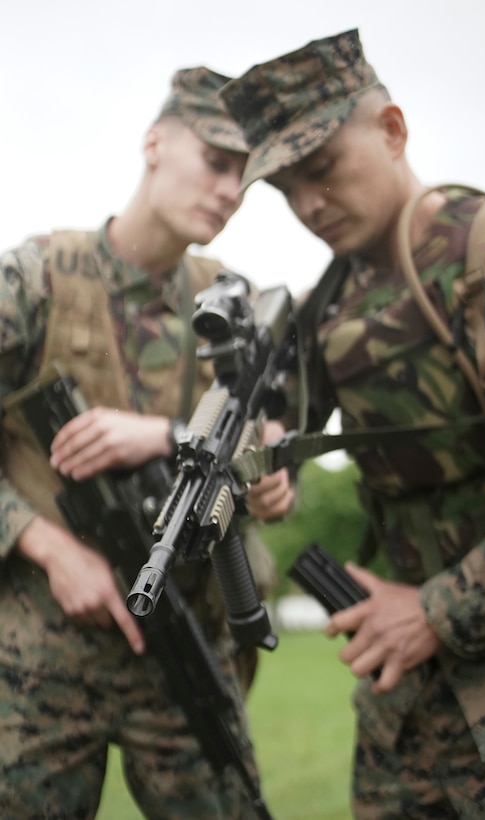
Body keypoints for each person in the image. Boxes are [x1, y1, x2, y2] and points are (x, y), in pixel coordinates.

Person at [221, 29, 485, 819]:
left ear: (392, 131)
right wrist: (269, 465)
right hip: (404, 717)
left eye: (323, 169)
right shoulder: (324, 306)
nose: (308, 205)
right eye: (285, 190)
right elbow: (273, 418)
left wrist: (433, 612)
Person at [0, 66, 292, 819]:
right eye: (216, 161)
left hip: (184, 651)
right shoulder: (35, 280)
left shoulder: (233, 306)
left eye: (246, 176)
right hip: (41, 660)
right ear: (154, 143)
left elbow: (268, 446)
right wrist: (43, 543)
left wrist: (187, 445)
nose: (231, 189)